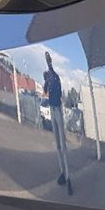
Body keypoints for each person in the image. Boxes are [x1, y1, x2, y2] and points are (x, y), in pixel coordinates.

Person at [42, 52, 73, 195]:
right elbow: (45, 91)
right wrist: (45, 81)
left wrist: (49, 64)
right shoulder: (49, 80)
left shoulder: (55, 77)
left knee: (62, 145)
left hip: (58, 109)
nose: (47, 76)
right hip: (52, 108)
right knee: (58, 145)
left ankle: (68, 177)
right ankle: (63, 173)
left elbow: (52, 74)